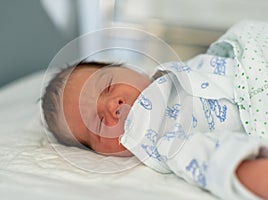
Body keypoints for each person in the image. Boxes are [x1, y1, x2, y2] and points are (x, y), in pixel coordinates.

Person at [42, 21, 268, 199]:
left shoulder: (188, 68)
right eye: (98, 123)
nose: (112, 105)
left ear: (130, 68)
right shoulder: (172, 143)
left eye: (108, 86)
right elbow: (220, 162)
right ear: (102, 152)